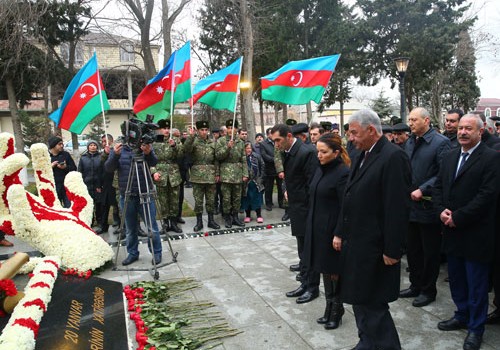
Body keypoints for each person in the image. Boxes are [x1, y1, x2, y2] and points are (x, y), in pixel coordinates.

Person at [333, 109, 411, 349]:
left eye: (355, 133)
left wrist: (392, 250)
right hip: (356, 243)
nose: (351, 138)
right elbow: (349, 197)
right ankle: (366, 341)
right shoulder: (360, 154)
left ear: (372, 130)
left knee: (374, 304)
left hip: (376, 248)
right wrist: (340, 232)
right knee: (358, 298)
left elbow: (397, 208)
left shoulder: (392, 157)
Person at [433, 114, 500, 350]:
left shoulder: (492, 158)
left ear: (480, 132)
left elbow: (487, 195)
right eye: (460, 128)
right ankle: (461, 314)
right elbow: (439, 186)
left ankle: (476, 328)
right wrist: (441, 210)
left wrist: (458, 217)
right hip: (452, 232)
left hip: (476, 233)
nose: (462, 132)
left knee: (477, 284)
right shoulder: (450, 156)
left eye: (468, 128)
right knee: (458, 280)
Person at [399, 107, 451, 308]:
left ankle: (428, 290)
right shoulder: (410, 141)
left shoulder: (441, 143)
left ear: (427, 120)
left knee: (429, 252)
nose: (410, 123)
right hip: (410, 206)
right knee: (413, 250)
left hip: (428, 205)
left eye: (414, 120)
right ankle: (415, 285)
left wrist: (423, 188)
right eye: (409, 120)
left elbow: (443, 173)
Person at [304, 133, 349, 330]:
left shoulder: (343, 173)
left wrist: (339, 233)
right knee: (323, 267)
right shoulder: (320, 169)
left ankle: (337, 308)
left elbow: (345, 207)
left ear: (336, 152)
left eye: (324, 152)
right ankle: (329, 305)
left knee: (334, 270)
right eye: (318, 152)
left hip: (332, 231)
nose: (319, 155)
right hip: (317, 229)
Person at [271, 123, 320, 304]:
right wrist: (286, 189)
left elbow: (311, 184)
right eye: (274, 141)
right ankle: (305, 283)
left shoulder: (306, 152)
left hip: (306, 209)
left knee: (309, 250)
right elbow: (290, 177)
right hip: (297, 208)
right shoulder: (289, 152)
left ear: (289, 136)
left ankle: (312, 287)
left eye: (278, 140)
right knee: (302, 250)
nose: (276, 144)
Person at [104, 132, 162, 266]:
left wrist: (148, 153)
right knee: (130, 228)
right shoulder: (120, 149)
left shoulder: (144, 147)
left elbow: (154, 162)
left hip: (145, 193)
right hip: (127, 195)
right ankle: (132, 253)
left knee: (151, 227)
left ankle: (156, 252)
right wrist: (114, 155)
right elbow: (109, 168)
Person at [183, 120, 221, 232]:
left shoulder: (212, 143)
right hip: (197, 176)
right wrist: (190, 136)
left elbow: (216, 160)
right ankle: (199, 222)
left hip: (210, 176)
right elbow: (186, 149)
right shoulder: (193, 142)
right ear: (198, 131)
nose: (204, 132)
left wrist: (217, 173)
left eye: (206, 130)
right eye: (202, 130)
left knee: (211, 200)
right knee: (198, 201)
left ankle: (211, 220)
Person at [215, 119, 249, 228]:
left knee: (237, 197)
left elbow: (243, 158)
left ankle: (235, 217)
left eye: (233, 127)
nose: (231, 130)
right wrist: (227, 147)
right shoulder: (221, 141)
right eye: (229, 128)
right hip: (225, 174)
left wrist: (245, 173)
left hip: (237, 174)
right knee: (226, 198)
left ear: (236, 129)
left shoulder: (240, 142)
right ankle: (227, 218)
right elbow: (218, 156)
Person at [152, 119, 183, 234]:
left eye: (167, 128)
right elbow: (150, 160)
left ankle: (174, 223)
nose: (166, 130)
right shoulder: (154, 142)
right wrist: (154, 171)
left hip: (173, 174)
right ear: (159, 129)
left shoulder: (175, 140)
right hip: (161, 175)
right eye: (164, 128)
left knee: (174, 200)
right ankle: (165, 223)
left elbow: (181, 155)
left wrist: (174, 146)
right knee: (163, 200)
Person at [77, 140, 103, 233]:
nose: (93, 147)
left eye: (94, 145)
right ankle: (90, 222)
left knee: (99, 204)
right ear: (88, 147)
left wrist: (100, 184)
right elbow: (80, 171)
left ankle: (100, 222)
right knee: (88, 204)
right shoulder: (83, 158)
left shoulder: (100, 157)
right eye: (91, 145)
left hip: (98, 185)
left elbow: (102, 171)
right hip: (87, 185)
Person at [48, 136, 76, 208]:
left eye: (62, 144)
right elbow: (41, 172)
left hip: (66, 186)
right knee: (55, 208)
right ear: (53, 145)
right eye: (59, 144)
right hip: (53, 187)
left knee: (69, 207)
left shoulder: (65, 154)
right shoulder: (46, 156)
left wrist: (65, 167)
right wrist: (50, 167)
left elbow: (74, 169)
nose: (62, 146)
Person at [100, 134, 120, 233]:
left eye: (106, 141)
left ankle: (121, 225)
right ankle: (104, 225)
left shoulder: (117, 149)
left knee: (118, 205)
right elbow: (101, 162)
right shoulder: (104, 153)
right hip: (107, 182)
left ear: (111, 141)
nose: (104, 143)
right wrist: (105, 153)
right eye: (102, 141)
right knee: (106, 204)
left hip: (117, 181)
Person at [260, 128, 284, 211]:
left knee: (281, 187)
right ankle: (269, 204)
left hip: (279, 169)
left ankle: (281, 202)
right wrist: (276, 160)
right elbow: (264, 155)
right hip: (269, 169)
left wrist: (279, 162)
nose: (272, 135)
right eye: (271, 133)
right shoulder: (263, 144)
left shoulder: (278, 142)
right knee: (268, 188)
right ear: (267, 134)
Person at [241, 142, 265, 223]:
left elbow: (262, 166)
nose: (249, 150)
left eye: (250, 148)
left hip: (256, 182)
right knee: (246, 199)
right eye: (247, 148)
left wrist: (261, 178)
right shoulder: (242, 157)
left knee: (257, 198)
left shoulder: (257, 156)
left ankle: (259, 215)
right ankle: (247, 215)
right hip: (246, 183)